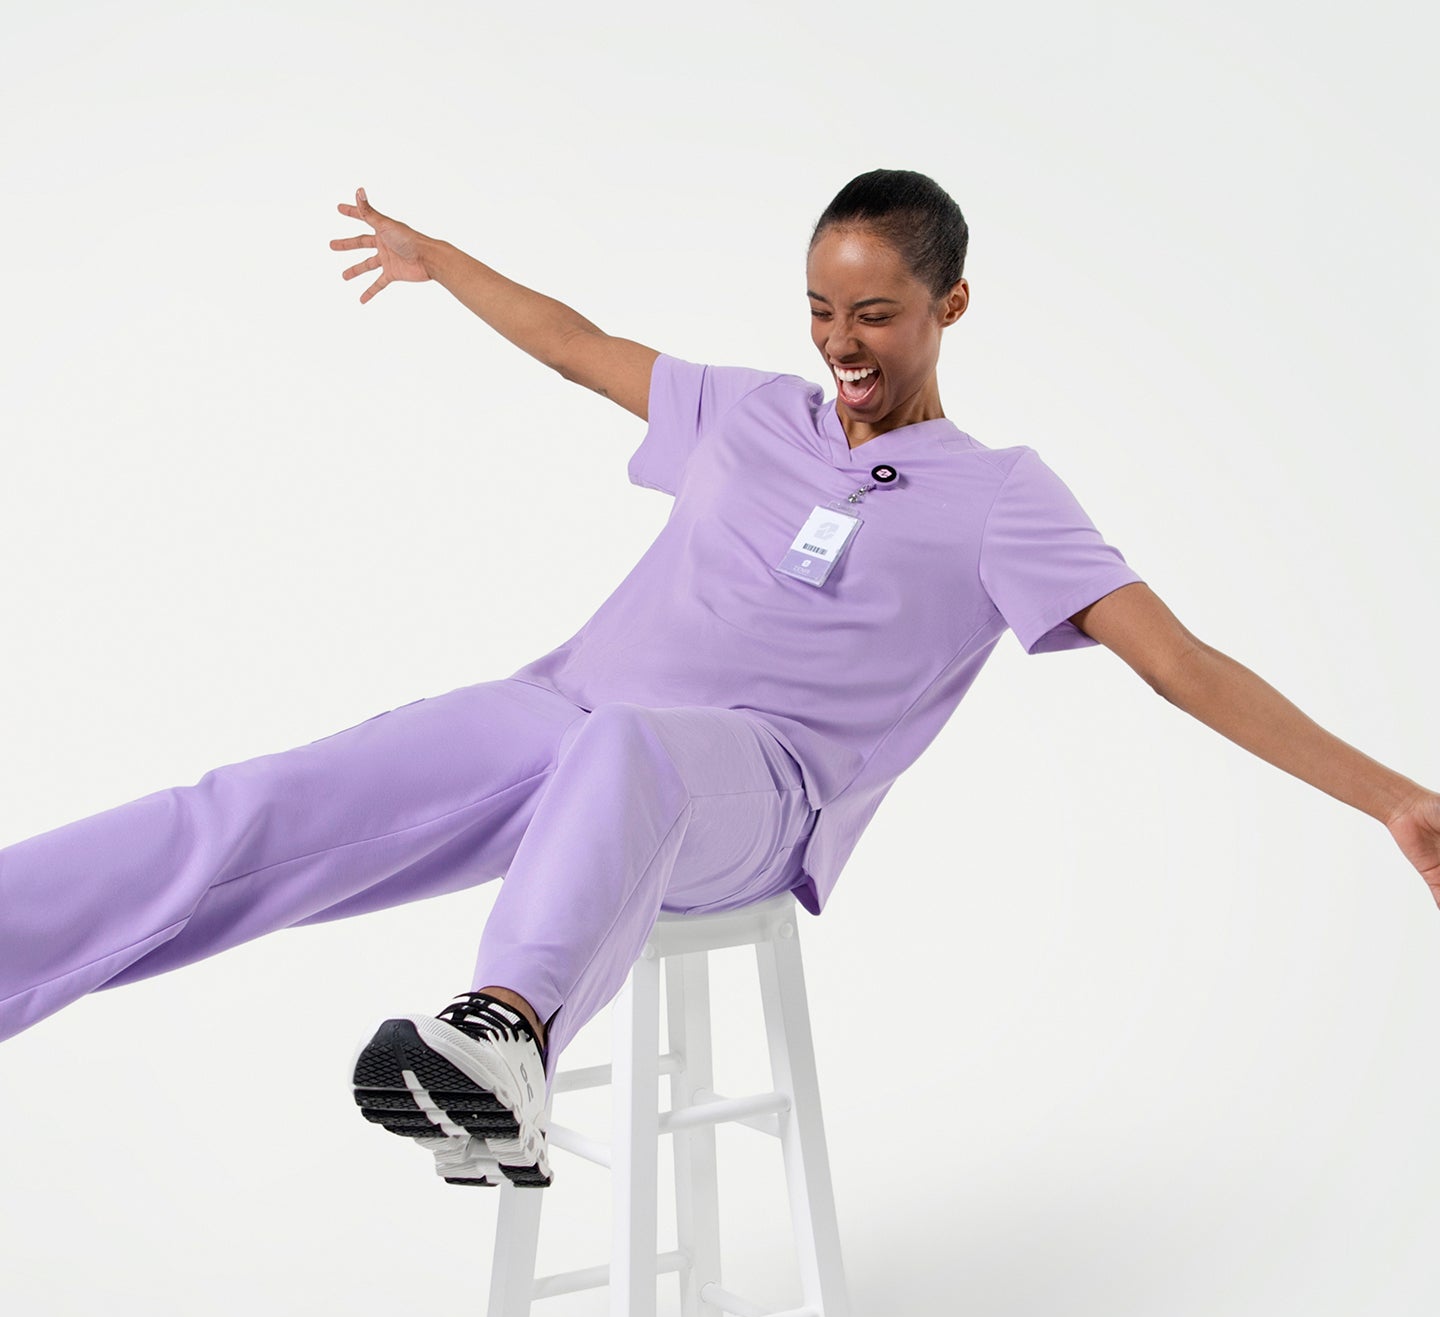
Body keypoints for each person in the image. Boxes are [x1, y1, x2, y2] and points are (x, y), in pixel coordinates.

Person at [3, 171, 1437, 1191]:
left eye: (874, 316)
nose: (841, 346)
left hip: (755, 789)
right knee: (259, 805)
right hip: (560, 717)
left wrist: (1392, 801)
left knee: (632, 744)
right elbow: (576, 345)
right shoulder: (750, 413)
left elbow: (1178, 665)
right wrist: (444, 261)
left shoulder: (1002, 497)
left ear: (949, 304)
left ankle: (505, 1035)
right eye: (821, 309)